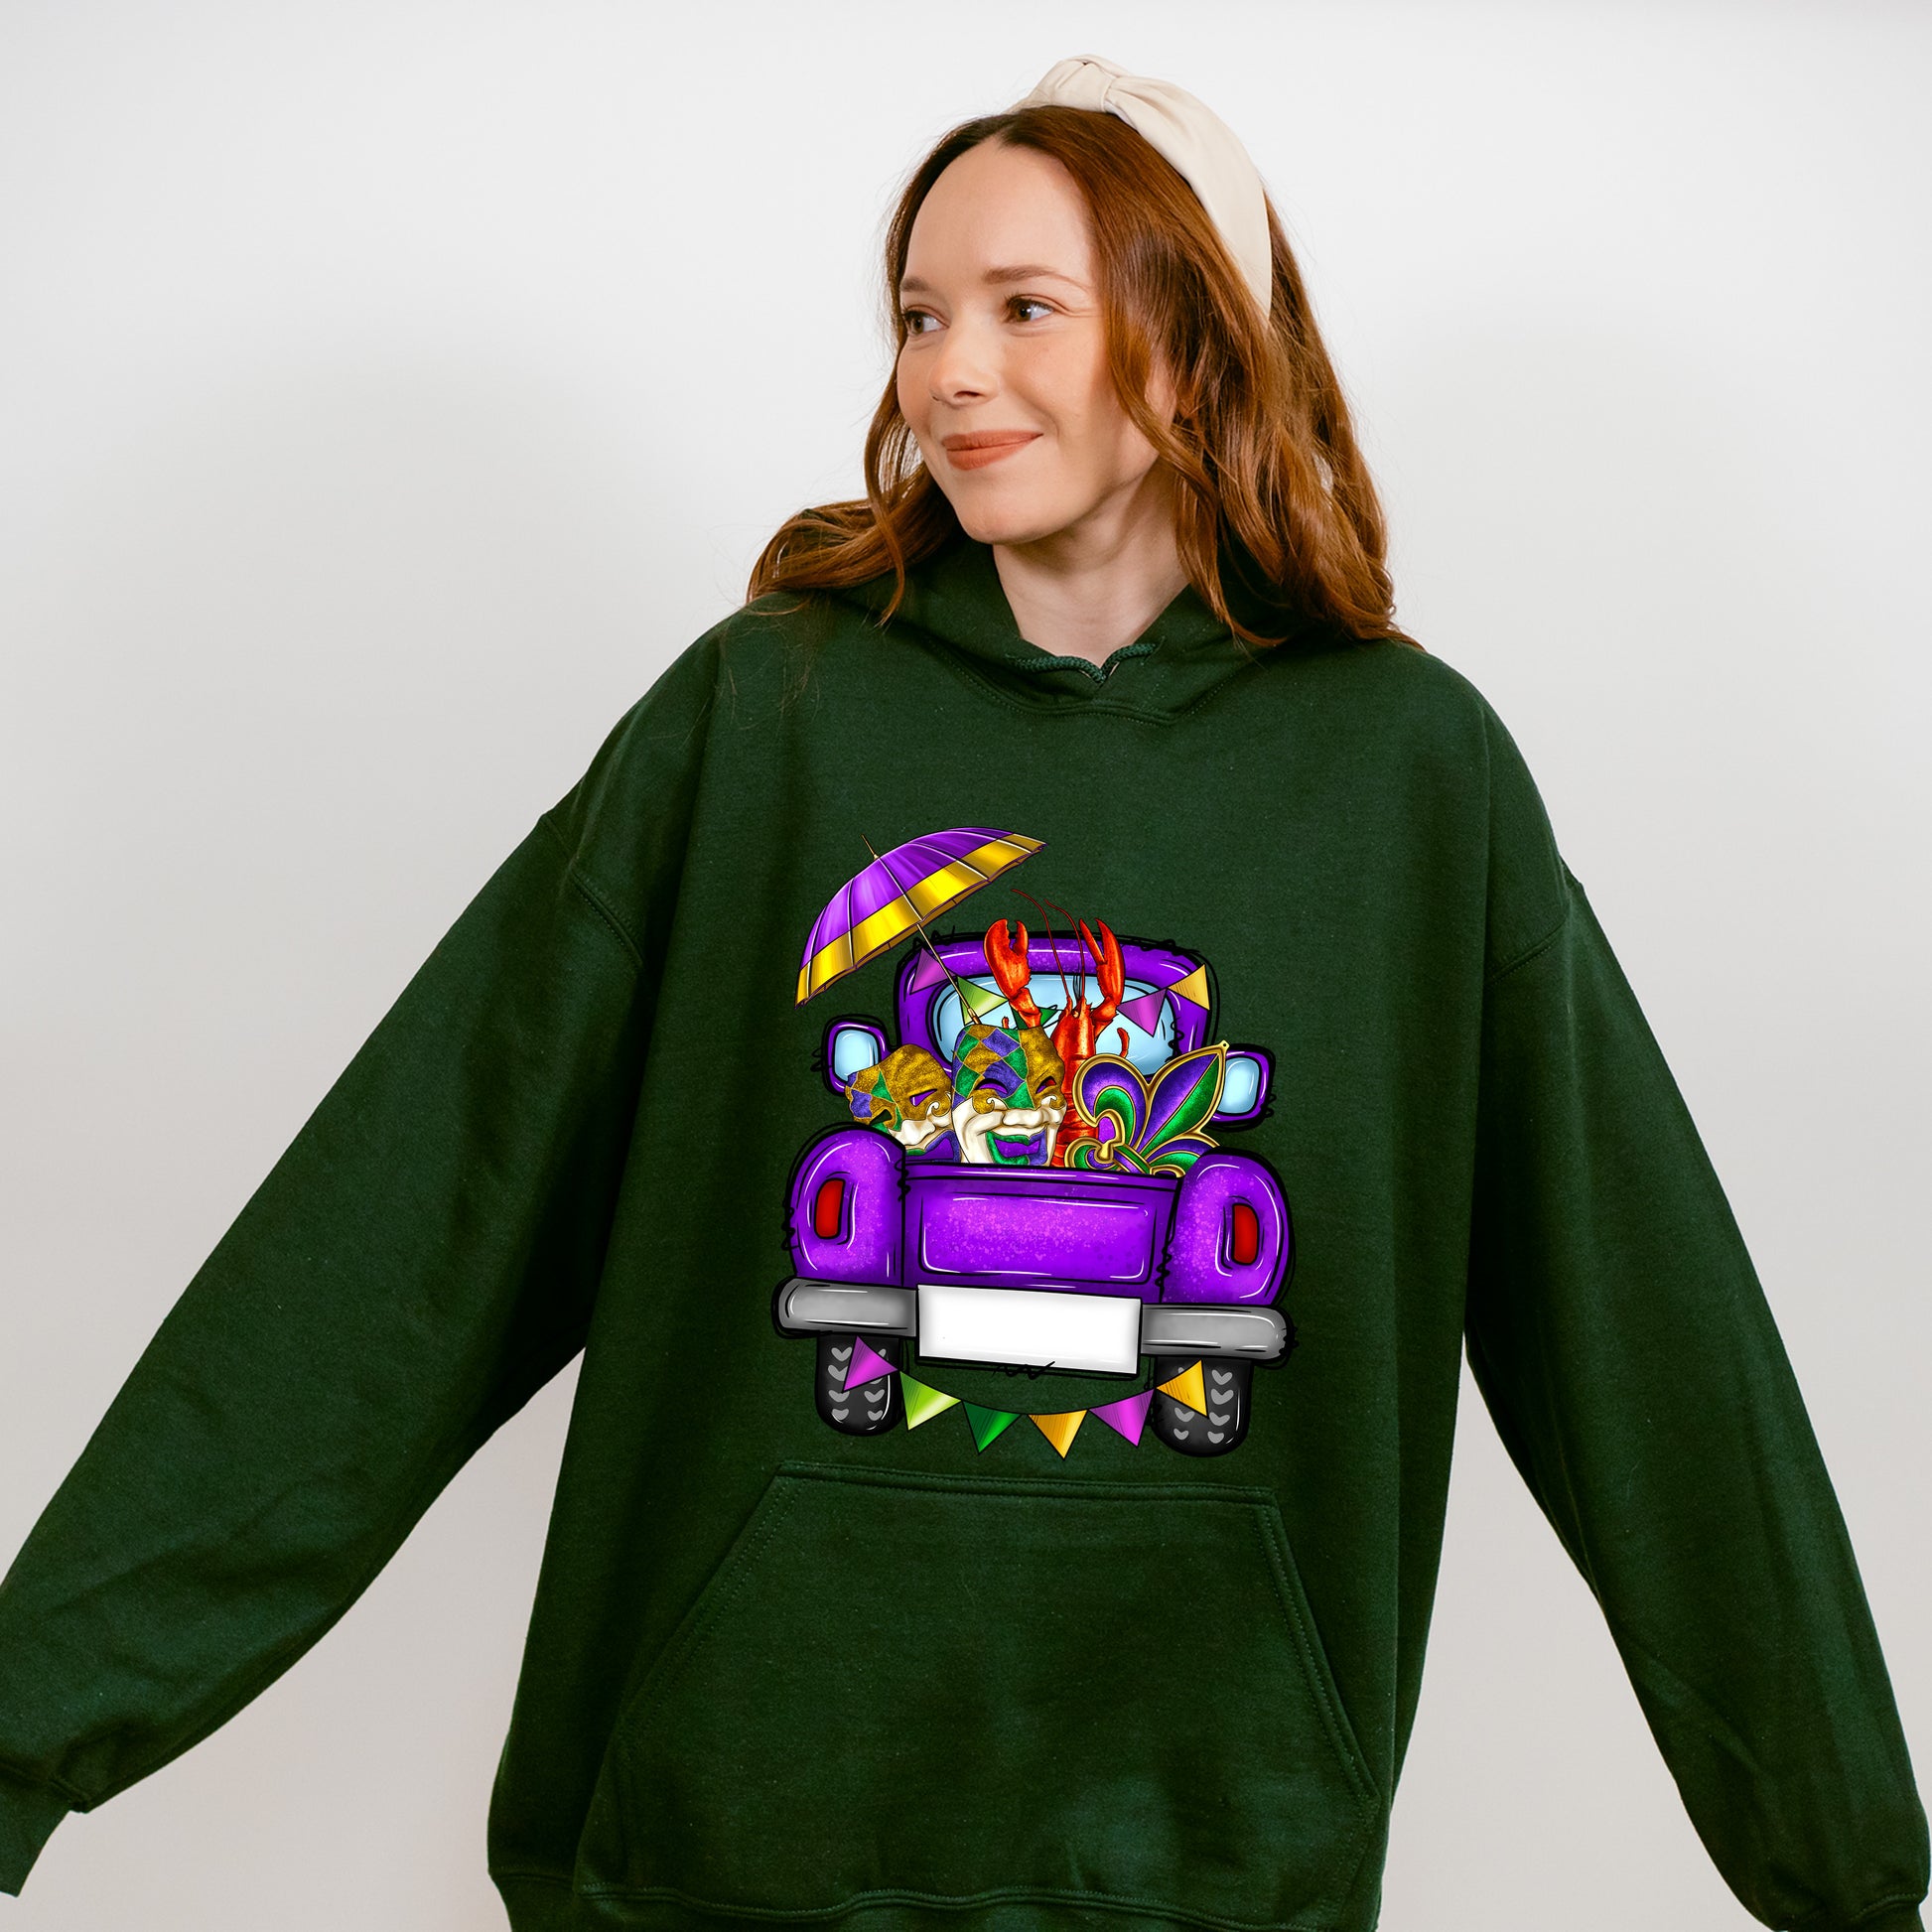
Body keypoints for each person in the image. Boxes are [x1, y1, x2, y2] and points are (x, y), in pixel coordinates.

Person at [1, 52, 1925, 1932]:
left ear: (1194, 337)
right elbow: (399, 1241)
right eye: (920, 315)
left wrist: (1843, 1865)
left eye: (1023, 306)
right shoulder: (763, 723)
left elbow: (1644, 1332)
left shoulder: (1411, 782)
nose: (948, 372)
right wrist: (27, 1722)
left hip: (1209, 1859)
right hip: (718, 1850)